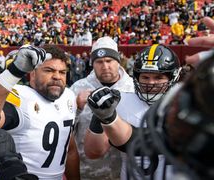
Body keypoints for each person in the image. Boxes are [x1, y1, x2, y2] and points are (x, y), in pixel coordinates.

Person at [85, 50, 214, 180]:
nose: (151, 83)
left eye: (158, 77)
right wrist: (99, 115)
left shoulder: (186, 103)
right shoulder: (120, 100)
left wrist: (109, 118)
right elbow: (94, 152)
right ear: (136, 77)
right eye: (145, 77)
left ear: (173, 77)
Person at [0, 44, 80, 179]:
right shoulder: (21, 96)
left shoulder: (68, 96)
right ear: (32, 73)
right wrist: (14, 72)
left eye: (62, 72)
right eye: (49, 70)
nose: (57, 76)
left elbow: (70, 148)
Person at [70, 36, 134, 179]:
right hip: (88, 171)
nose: (105, 66)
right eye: (99, 62)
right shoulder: (78, 88)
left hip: (122, 172)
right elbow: (64, 130)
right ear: (92, 64)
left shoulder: (133, 88)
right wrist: (77, 107)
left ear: (118, 61)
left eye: (109, 61)